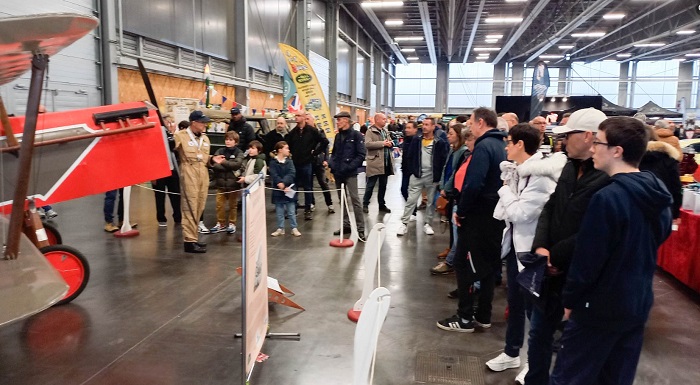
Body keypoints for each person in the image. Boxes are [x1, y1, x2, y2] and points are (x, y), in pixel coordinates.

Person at [549, 116, 673, 385]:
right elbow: (660, 236)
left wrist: (571, 301)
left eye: (598, 142)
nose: (592, 148)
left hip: (597, 309)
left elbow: (588, 260)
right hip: (636, 304)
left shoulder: (607, 198)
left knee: (570, 377)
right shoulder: (657, 190)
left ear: (617, 151)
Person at [524, 107, 609, 385]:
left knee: (570, 346)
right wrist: (540, 247)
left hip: (578, 276)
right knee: (538, 335)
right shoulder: (569, 167)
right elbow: (550, 208)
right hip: (548, 273)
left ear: (587, 136)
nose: (561, 141)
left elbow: (595, 231)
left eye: (567, 135)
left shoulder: (607, 177)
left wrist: (556, 256)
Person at [485, 124, 566, 381]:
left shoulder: (541, 176)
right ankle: (511, 353)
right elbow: (502, 213)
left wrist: (505, 189)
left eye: (509, 142)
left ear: (520, 144)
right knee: (515, 304)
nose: (505, 147)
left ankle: (533, 363)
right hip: (514, 246)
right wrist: (509, 193)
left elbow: (520, 213)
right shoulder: (516, 171)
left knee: (535, 313)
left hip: (532, 250)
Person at [436, 107, 506, 333]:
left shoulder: (485, 146)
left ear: (482, 122)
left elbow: (474, 184)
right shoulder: (501, 145)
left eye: (473, 122)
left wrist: (461, 210)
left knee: (464, 265)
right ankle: (483, 315)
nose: (470, 127)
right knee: (486, 267)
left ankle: (465, 317)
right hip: (494, 214)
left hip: (478, 215)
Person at [174, 110, 224, 253]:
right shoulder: (180, 136)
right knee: (190, 206)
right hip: (189, 173)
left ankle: (194, 237)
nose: (205, 125)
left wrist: (212, 160)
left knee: (199, 206)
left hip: (203, 174)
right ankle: (189, 241)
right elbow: (168, 148)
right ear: (193, 122)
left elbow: (204, 158)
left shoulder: (205, 139)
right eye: (202, 122)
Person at [398, 117, 449, 236]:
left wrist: (438, 176)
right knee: (411, 200)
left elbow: (443, 160)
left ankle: (428, 224)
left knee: (431, 202)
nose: (424, 126)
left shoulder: (439, 142)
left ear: (433, 127)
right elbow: (410, 156)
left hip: (432, 176)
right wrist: (413, 171)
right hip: (417, 175)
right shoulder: (416, 140)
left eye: (427, 124)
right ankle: (404, 223)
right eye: (423, 124)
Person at [430, 123, 469, 274]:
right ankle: (452, 252)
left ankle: (452, 260)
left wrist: (446, 188)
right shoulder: (454, 150)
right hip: (448, 189)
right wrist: (442, 185)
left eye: (451, 133)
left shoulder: (463, 152)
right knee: (453, 229)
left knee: (456, 228)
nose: (448, 136)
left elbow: (455, 173)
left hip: (454, 192)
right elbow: (447, 169)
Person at [329, 111, 366, 242]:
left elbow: (361, 155)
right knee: (342, 200)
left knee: (355, 200)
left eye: (339, 120)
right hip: (338, 173)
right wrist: (331, 164)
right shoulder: (338, 137)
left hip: (350, 173)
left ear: (345, 120)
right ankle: (346, 225)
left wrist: (349, 167)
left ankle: (361, 230)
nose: (337, 122)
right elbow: (334, 153)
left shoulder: (356, 136)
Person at [286, 111, 329, 221]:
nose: (296, 117)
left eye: (299, 116)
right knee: (293, 187)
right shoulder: (293, 132)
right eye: (296, 116)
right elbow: (287, 144)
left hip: (307, 163)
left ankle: (307, 210)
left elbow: (325, 141)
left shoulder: (312, 131)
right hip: (295, 163)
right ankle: (293, 209)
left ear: (305, 118)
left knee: (308, 187)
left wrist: (315, 152)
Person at [639, 127, 682, 220]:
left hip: (638, 207)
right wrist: (675, 214)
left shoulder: (632, 157)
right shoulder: (669, 159)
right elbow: (676, 188)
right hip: (664, 208)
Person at [209, 131, 245, 234]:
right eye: (226, 139)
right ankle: (220, 223)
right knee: (219, 204)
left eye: (230, 140)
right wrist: (228, 166)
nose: (228, 142)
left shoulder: (239, 152)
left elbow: (237, 165)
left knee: (233, 205)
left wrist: (223, 162)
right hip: (220, 184)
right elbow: (215, 164)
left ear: (236, 142)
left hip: (233, 185)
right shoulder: (220, 150)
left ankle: (232, 223)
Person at [153, 114, 182, 227]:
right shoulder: (156, 136)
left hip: (173, 169)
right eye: (167, 121)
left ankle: (177, 216)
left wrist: (173, 133)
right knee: (160, 195)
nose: (169, 124)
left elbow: (176, 148)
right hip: (159, 169)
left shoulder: (174, 135)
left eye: (171, 121)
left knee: (175, 193)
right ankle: (161, 217)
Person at [363, 113, 394, 214]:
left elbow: (390, 141)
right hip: (375, 163)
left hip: (385, 163)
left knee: (383, 185)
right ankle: (365, 204)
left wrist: (391, 143)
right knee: (371, 185)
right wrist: (383, 143)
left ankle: (381, 204)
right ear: (377, 120)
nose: (386, 121)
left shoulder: (385, 131)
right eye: (384, 119)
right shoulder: (370, 131)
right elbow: (367, 144)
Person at [269, 141, 301, 237]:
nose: (288, 150)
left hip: (289, 188)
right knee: (279, 211)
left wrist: (284, 183)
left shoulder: (290, 162)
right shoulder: (273, 162)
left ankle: (294, 227)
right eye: (286, 148)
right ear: (280, 150)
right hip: (278, 190)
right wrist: (279, 183)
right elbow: (274, 174)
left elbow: (292, 173)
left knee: (291, 211)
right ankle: (280, 228)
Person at [305, 113, 335, 214]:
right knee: (308, 184)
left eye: (308, 119)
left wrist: (326, 159)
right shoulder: (304, 132)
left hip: (319, 161)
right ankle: (311, 203)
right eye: (305, 119)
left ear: (313, 120)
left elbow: (325, 146)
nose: (306, 121)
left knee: (323, 182)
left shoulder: (320, 131)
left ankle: (329, 203)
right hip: (308, 161)